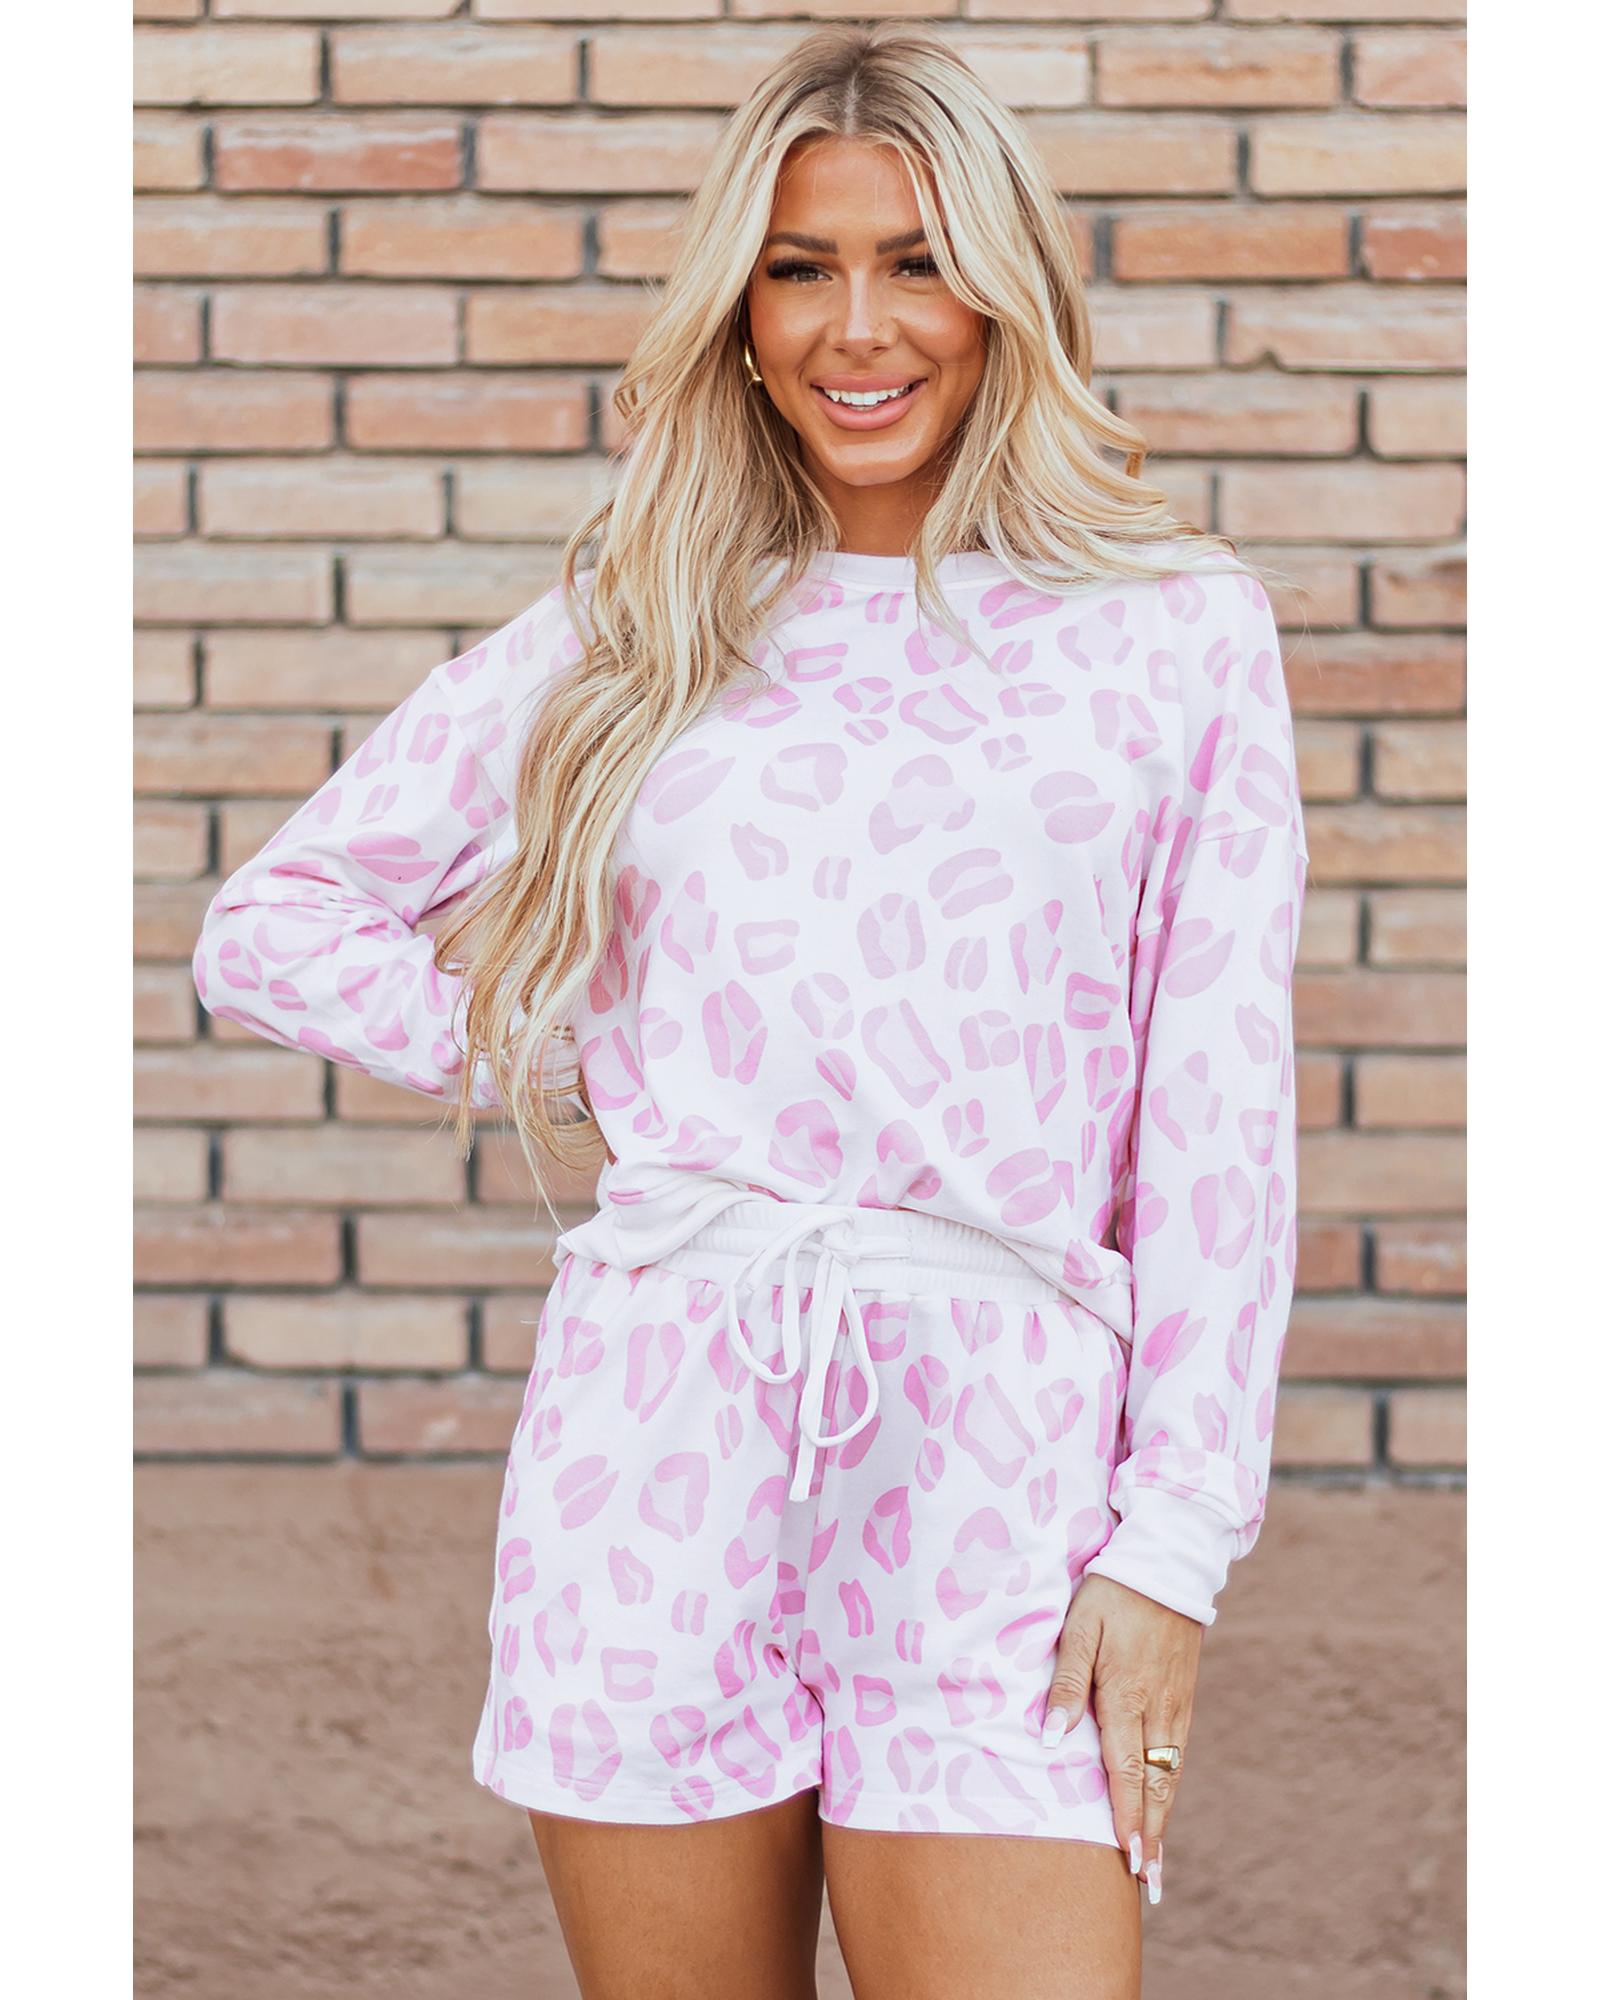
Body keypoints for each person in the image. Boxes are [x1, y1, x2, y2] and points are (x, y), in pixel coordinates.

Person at [190, 22, 1308, 2000]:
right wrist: (560, 1056)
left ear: (1006, 291)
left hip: (1001, 1477)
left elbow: (1214, 1126)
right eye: (800, 269)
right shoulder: (638, 622)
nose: (855, 327)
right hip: (658, 1442)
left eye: (915, 261)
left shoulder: (1170, 634)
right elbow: (270, 922)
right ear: (739, 309)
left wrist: (1172, 1542)